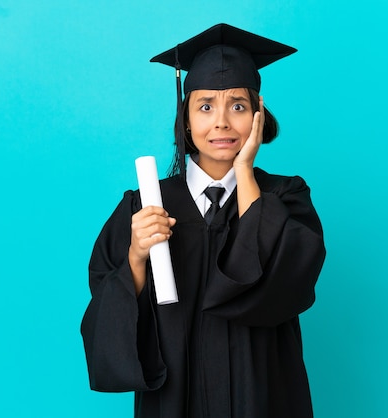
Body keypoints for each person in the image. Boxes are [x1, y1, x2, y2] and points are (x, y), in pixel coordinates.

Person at [81, 23, 326, 418]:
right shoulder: (145, 205)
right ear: (186, 118)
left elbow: (285, 286)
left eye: (239, 106)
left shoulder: (287, 196)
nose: (222, 122)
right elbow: (108, 310)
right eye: (206, 106)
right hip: (176, 396)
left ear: (259, 114)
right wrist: (136, 257)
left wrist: (245, 172)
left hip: (261, 393)